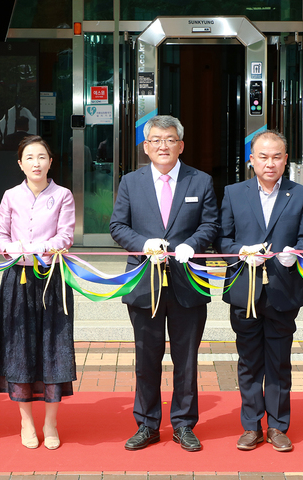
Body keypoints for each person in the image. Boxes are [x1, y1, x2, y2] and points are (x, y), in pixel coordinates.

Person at [110, 115, 219, 452]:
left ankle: (184, 424)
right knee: (147, 358)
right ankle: (147, 423)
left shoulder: (200, 181)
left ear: (181, 145)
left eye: (170, 139)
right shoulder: (131, 181)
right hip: (145, 283)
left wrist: (193, 245)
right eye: (155, 140)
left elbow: (211, 225)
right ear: (146, 146)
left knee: (186, 359)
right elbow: (118, 226)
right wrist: (144, 244)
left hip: (188, 283)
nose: (162, 146)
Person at [214, 130, 303, 452]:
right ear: (251, 160)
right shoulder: (233, 193)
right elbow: (221, 241)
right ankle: (250, 426)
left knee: (279, 362)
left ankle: (277, 426)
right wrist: (241, 251)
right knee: (248, 362)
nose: (269, 163)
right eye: (263, 156)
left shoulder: (301, 195)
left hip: (283, 291)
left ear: (286, 160)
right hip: (244, 291)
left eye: (276, 157)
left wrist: (295, 253)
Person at [0, 136, 76, 450]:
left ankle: (51, 422)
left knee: (54, 346)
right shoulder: (11, 195)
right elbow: (0, 232)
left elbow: (66, 234)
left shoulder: (62, 195)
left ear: (51, 161)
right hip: (17, 277)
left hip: (52, 278)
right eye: (29, 157)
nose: (36, 163)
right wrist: (6, 246)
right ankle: (26, 421)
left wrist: (45, 246)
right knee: (19, 347)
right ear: (20, 163)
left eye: (42, 157)